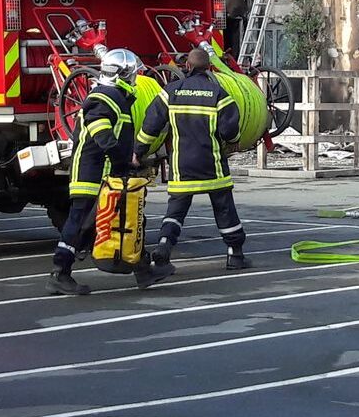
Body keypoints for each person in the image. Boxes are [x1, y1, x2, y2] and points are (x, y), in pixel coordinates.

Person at [47, 49, 174, 295]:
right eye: (133, 74)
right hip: (93, 174)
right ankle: (60, 272)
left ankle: (142, 269)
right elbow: (103, 135)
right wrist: (124, 162)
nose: (136, 79)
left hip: (106, 173)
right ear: (123, 75)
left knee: (129, 218)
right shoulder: (103, 98)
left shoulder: (115, 96)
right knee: (81, 222)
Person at [135, 47, 252, 271]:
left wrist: (138, 151)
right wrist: (235, 140)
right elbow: (230, 130)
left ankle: (163, 247)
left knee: (175, 212)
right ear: (208, 68)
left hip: (182, 168)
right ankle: (235, 255)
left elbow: (151, 126)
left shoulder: (170, 92)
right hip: (213, 166)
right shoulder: (218, 94)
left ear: (187, 67)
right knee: (225, 209)